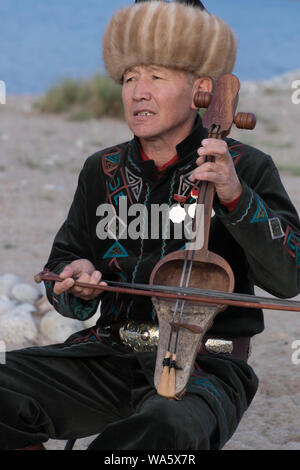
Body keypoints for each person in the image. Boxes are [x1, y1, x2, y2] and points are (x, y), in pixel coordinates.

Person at [1, 0, 299, 451]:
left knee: (166, 429)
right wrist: (76, 284)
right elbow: (62, 266)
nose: (138, 91)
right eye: (129, 78)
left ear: (201, 89)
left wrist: (237, 198)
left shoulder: (246, 167)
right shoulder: (100, 169)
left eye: (156, 77)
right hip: (108, 352)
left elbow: (288, 277)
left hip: (208, 365)